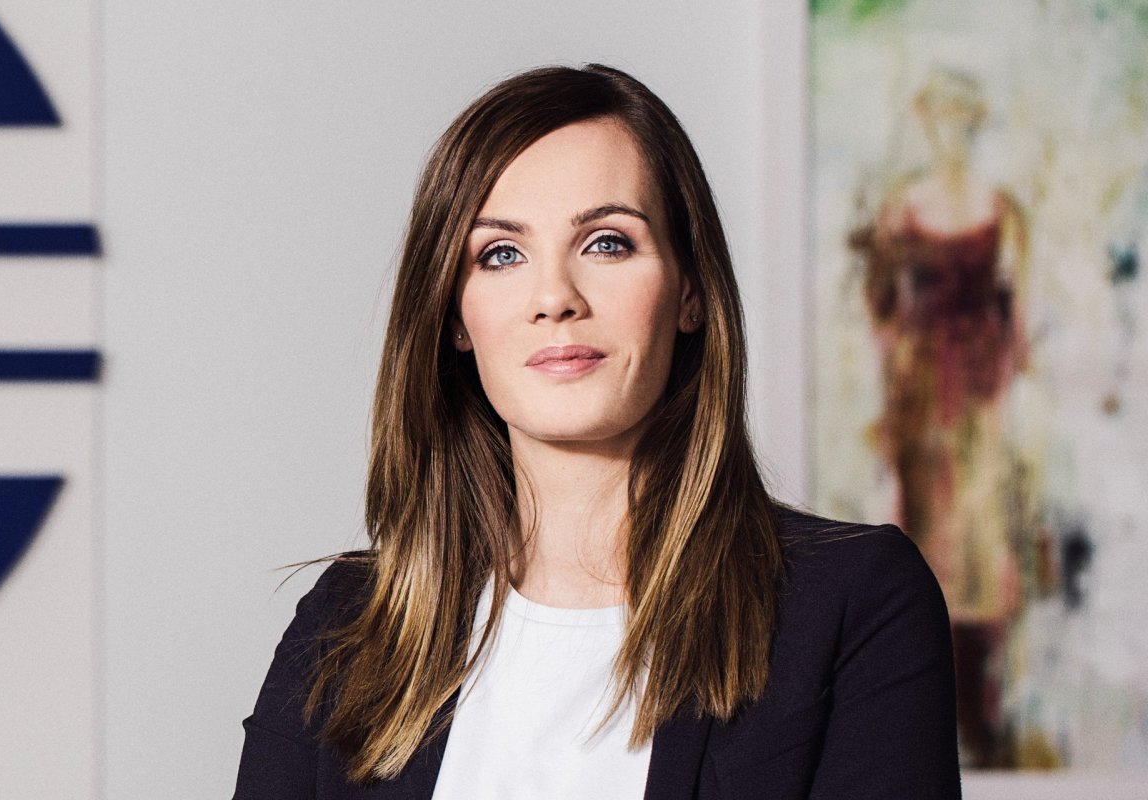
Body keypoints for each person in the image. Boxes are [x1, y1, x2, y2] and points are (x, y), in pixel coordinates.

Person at [233, 64, 960, 799]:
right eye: (501, 254)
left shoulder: (852, 604)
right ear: (455, 317)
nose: (555, 297)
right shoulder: (345, 623)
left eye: (607, 243)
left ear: (690, 290)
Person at [852, 68, 1030, 767]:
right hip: (922, 402)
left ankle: (981, 714)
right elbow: (882, 313)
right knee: (925, 548)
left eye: (960, 117)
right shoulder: (903, 209)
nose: (948, 131)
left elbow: (1018, 319)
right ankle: (928, 717)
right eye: (938, 118)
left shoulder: (1001, 211)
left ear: (973, 123)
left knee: (983, 548)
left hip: (979, 405)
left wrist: (1003, 397)